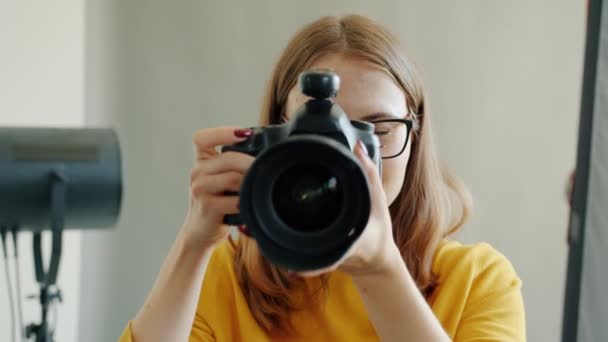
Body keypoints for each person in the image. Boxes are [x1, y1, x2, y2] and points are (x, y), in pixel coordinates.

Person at [119, 14, 525, 341]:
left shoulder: (478, 282)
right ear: (275, 137)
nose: (348, 156)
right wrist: (193, 245)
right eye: (323, 134)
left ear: (414, 137)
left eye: (377, 130)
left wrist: (380, 269)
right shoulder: (228, 277)